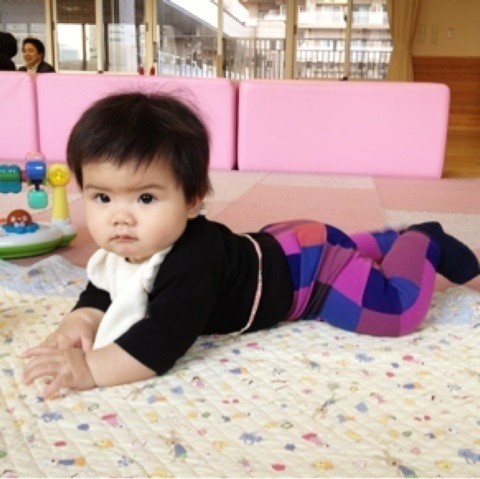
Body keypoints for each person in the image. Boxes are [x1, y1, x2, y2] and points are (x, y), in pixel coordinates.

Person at [22, 92, 480, 399]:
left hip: (313, 274)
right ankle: (382, 242)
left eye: (145, 198)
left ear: (193, 200)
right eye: (102, 198)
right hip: (283, 243)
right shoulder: (125, 245)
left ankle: (419, 240)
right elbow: (103, 287)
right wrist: (79, 321)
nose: (119, 217)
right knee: (329, 248)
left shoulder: (192, 262)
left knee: (395, 312)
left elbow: (159, 342)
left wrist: (89, 370)